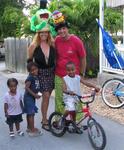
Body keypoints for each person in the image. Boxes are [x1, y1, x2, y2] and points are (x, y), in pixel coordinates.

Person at [54, 21, 86, 116]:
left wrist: (81, 74)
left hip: (73, 76)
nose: (62, 31)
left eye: (64, 28)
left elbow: (83, 57)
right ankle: (60, 120)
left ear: (67, 29)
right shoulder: (57, 40)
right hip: (59, 75)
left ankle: (76, 121)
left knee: (75, 98)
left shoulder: (76, 40)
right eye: (59, 29)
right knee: (59, 99)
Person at [27, 24, 56, 131]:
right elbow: (29, 62)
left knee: (47, 96)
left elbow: (56, 58)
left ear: (49, 33)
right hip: (41, 73)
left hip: (52, 72)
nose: (44, 34)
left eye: (46, 32)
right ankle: (44, 120)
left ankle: (51, 117)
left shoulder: (52, 44)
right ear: (38, 33)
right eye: (41, 32)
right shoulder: (33, 45)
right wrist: (32, 76)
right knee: (46, 96)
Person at [23, 62, 42, 136]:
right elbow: (26, 88)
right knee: (31, 114)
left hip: (32, 98)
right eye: (32, 70)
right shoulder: (30, 77)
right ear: (29, 71)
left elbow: (37, 87)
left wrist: (38, 94)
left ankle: (29, 127)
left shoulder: (36, 76)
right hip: (28, 98)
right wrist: (34, 95)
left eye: (35, 69)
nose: (34, 71)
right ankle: (32, 130)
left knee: (30, 113)